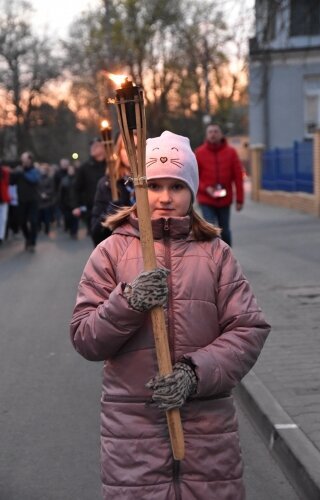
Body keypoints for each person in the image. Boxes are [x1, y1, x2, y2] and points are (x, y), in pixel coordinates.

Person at [70, 131, 270, 499]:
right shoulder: (110, 253)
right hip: (132, 437)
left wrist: (194, 373)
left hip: (208, 437)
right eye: (155, 185)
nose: (164, 197)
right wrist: (128, 302)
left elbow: (248, 328)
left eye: (176, 186)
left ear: (192, 191)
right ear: (138, 189)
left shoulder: (216, 253)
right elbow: (85, 336)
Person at [195, 123, 244, 247]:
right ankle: (212, 258)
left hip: (225, 199)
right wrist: (206, 188)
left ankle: (227, 257)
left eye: (216, 131)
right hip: (206, 198)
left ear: (221, 134)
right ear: (206, 135)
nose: (213, 134)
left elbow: (238, 177)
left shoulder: (231, 152)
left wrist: (240, 199)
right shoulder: (199, 153)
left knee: (225, 231)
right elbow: (195, 177)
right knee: (210, 229)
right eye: (210, 132)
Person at [90, 134, 136, 246]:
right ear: (119, 151)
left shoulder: (154, 182)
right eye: (126, 148)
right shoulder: (107, 184)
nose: (132, 153)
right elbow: (96, 234)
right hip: (120, 252)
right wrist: (109, 214)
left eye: (136, 147)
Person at [72, 138, 107, 235]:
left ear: (104, 147)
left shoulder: (111, 165)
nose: (93, 148)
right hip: (92, 209)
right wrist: (76, 206)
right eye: (92, 146)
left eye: (96, 146)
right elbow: (76, 188)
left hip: (111, 208)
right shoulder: (84, 167)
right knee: (97, 238)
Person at [12, 152, 41, 252]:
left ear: (30, 160)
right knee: (22, 222)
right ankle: (28, 238)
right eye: (22, 160)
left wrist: (23, 173)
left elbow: (34, 179)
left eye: (26, 160)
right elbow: (11, 181)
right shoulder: (19, 170)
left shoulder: (34, 170)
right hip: (22, 200)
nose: (24, 162)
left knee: (33, 221)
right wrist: (16, 173)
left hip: (33, 200)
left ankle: (32, 242)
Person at [58, 164, 79, 239]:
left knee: (75, 219)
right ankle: (70, 229)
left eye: (72, 170)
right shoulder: (64, 180)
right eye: (69, 170)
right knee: (68, 218)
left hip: (75, 203)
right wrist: (61, 202)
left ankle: (74, 232)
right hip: (66, 203)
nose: (71, 171)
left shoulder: (77, 179)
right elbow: (61, 192)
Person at [0, 162, 11, 246]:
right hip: (3, 198)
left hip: (3, 199)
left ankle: (1, 236)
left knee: (3, 219)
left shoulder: (4, 173)